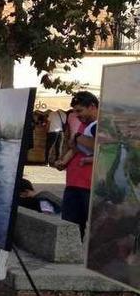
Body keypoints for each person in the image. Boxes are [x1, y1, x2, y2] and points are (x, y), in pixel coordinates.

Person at [54, 91, 98, 239]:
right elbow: (75, 148)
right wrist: (63, 162)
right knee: (71, 229)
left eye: (80, 111)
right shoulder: (84, 126)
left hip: (90, 185)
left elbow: (103, 149)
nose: (78, 115)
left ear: (92, 106)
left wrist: (88, 158)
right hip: (73, 183)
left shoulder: (101, 126)